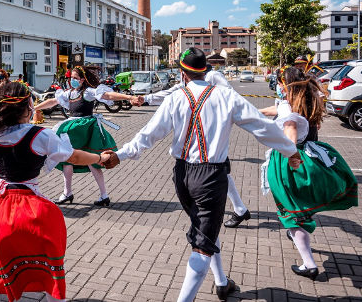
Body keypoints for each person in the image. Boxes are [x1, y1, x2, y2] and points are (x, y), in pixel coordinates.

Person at [101, 48, 301, 302]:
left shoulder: (175, 98)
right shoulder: (227, 96)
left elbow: (148, 134)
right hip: (211, 177)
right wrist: (290, 150)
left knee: (205, 231)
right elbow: (261, 128)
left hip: (181, 176)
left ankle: (221, 282)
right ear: (205, 71)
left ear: (182, 73)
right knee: (202, 244)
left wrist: (121, 154)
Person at [0, 81, 110, 302]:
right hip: (32, 208)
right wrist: (101, 158)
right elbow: (75, 156)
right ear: (28, 105)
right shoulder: (40, 134)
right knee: (49, 266)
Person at [260, 67, 358, 280]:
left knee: (292, 213)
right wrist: (254, 114)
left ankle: (309, 264)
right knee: (300, 208)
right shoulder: (304, 101)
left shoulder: (290, 110)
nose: (278, 87)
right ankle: (300, 232)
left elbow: (290, 129)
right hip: (312, 154)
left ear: (287, 86)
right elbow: (275, 109)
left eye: (280, 83)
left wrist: (291, 155)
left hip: (291, 159)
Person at [130, 63, 252, 228]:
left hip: (212, 131)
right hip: (198, 131)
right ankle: (239, 209)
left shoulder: (213, 76)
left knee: (220, 171)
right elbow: (172, 92)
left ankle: (235, 210)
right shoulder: (189, 79)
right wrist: (147, 99)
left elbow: (230, 95)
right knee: (221, 172)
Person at [34, 65, 133, 206]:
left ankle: (103, 195)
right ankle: (67, 192)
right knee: (67, 159)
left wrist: (128, 97)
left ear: (82, 80)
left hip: (87, 129)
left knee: (93, 161)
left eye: (75, 78)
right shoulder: (69, 93)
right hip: (74, 129)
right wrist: (34, 107)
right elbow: (52, 101)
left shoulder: (88, 92)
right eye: (71, 78)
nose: (72, 80)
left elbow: (108, 95)